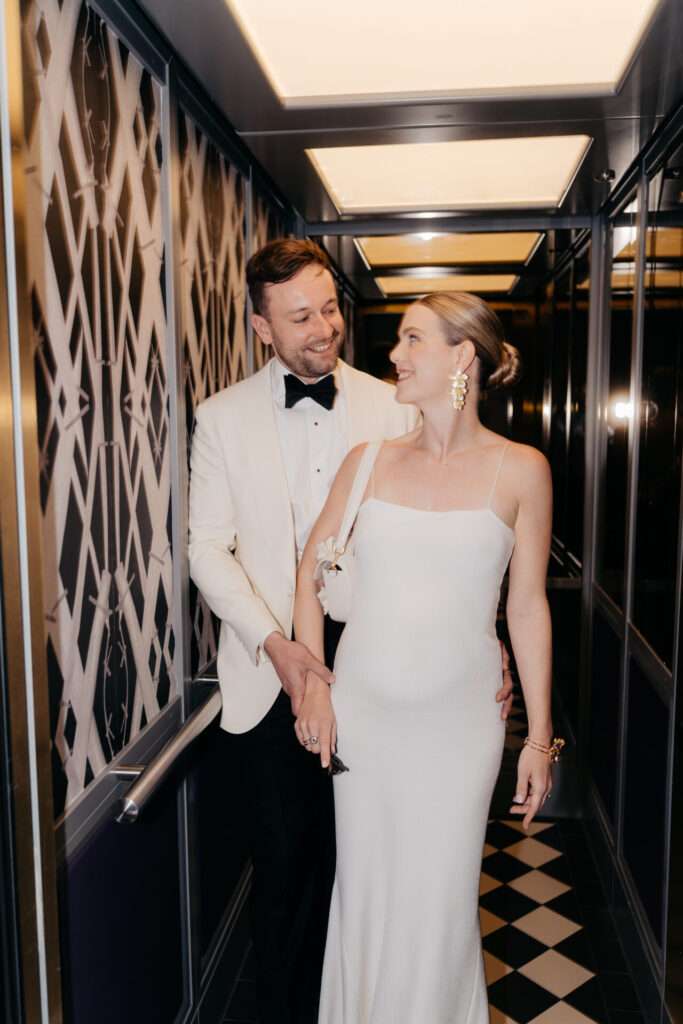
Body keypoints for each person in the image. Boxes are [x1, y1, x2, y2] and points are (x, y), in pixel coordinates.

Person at [188, 243, 515, 1024]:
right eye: (300, 317)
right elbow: (205, 549)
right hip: (271, 672)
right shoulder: (220, 417)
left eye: (330, 308)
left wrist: (481, 632)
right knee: (285, 871)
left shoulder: (393, 402)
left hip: (384, 668)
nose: (324, 328)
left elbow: (455, 529)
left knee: (377, 868)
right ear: (261, 326)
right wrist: (280, 647)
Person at [294, 291, 557, 1024]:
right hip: (364, 721)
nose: (395, 355)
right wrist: (314, 687)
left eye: (413, 340)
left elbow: (526, 607)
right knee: (367, 895)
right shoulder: (367, 462)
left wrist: (538, 738)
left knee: (439, 904)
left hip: (460, 728)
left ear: (461, 356)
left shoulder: (522, 469)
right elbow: (308, 576)